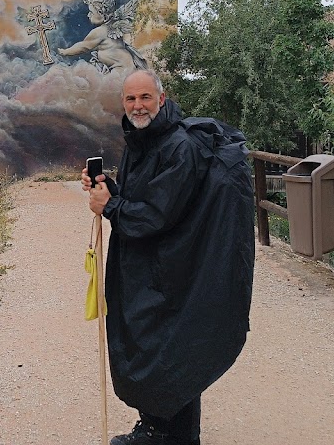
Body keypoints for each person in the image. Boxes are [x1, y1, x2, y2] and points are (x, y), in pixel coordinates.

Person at [82, 69, 254, 445]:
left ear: (162, 99)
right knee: (154, 346)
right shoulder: (143, 140)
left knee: (170, 350)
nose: (138, 106)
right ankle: (158, 429)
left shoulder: (180, 147)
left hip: (174, 270)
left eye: (145, 98)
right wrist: (109, 189)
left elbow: (157, 215)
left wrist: (111, 206)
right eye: (131, 99)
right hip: (150, 266)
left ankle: (171, 435)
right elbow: (142, 196)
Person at [58, 0, 148, 72]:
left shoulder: (100, 31)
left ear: (103, 15)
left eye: (91, 12)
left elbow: (83, 47)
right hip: (126, 65)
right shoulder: (113, 24)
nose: (88, 15)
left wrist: (65, 52)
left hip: (121, 69)